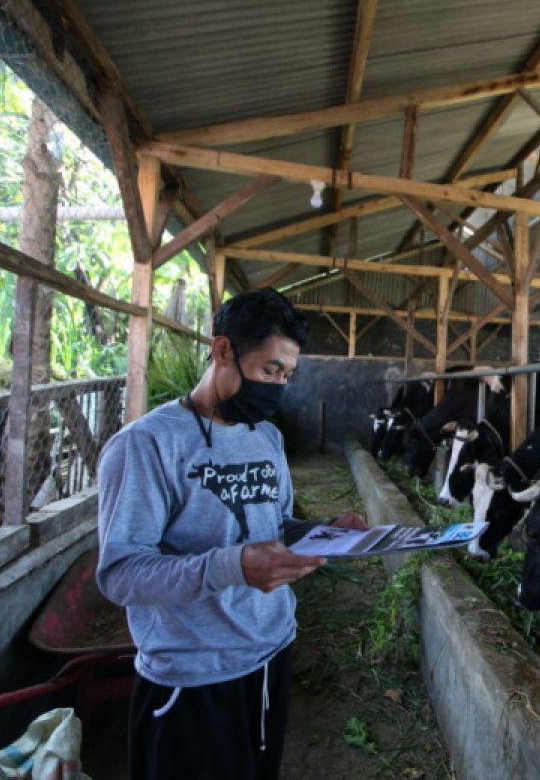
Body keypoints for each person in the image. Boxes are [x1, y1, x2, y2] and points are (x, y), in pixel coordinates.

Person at [96, 288, 366, 780]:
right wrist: (234, 566)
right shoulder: (147, 446)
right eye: (269, 370)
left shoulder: (266, 436)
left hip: (272, 652)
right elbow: (121, 574)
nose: (278, 386)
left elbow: (273, 524)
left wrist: (324, 532)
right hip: (194, 676)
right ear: (223, 351)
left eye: (287, 375)